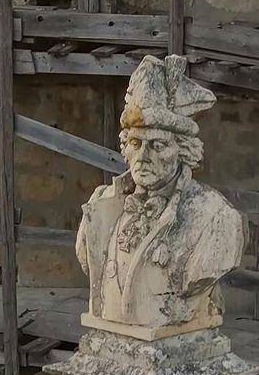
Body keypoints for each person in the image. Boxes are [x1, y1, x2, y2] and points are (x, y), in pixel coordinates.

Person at [76, 54, 245, 337]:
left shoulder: (215, 217)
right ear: (125, 147)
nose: (143, 156)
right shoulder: (99, 207)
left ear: (183, 150)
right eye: (135, 143)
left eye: (158, 145)